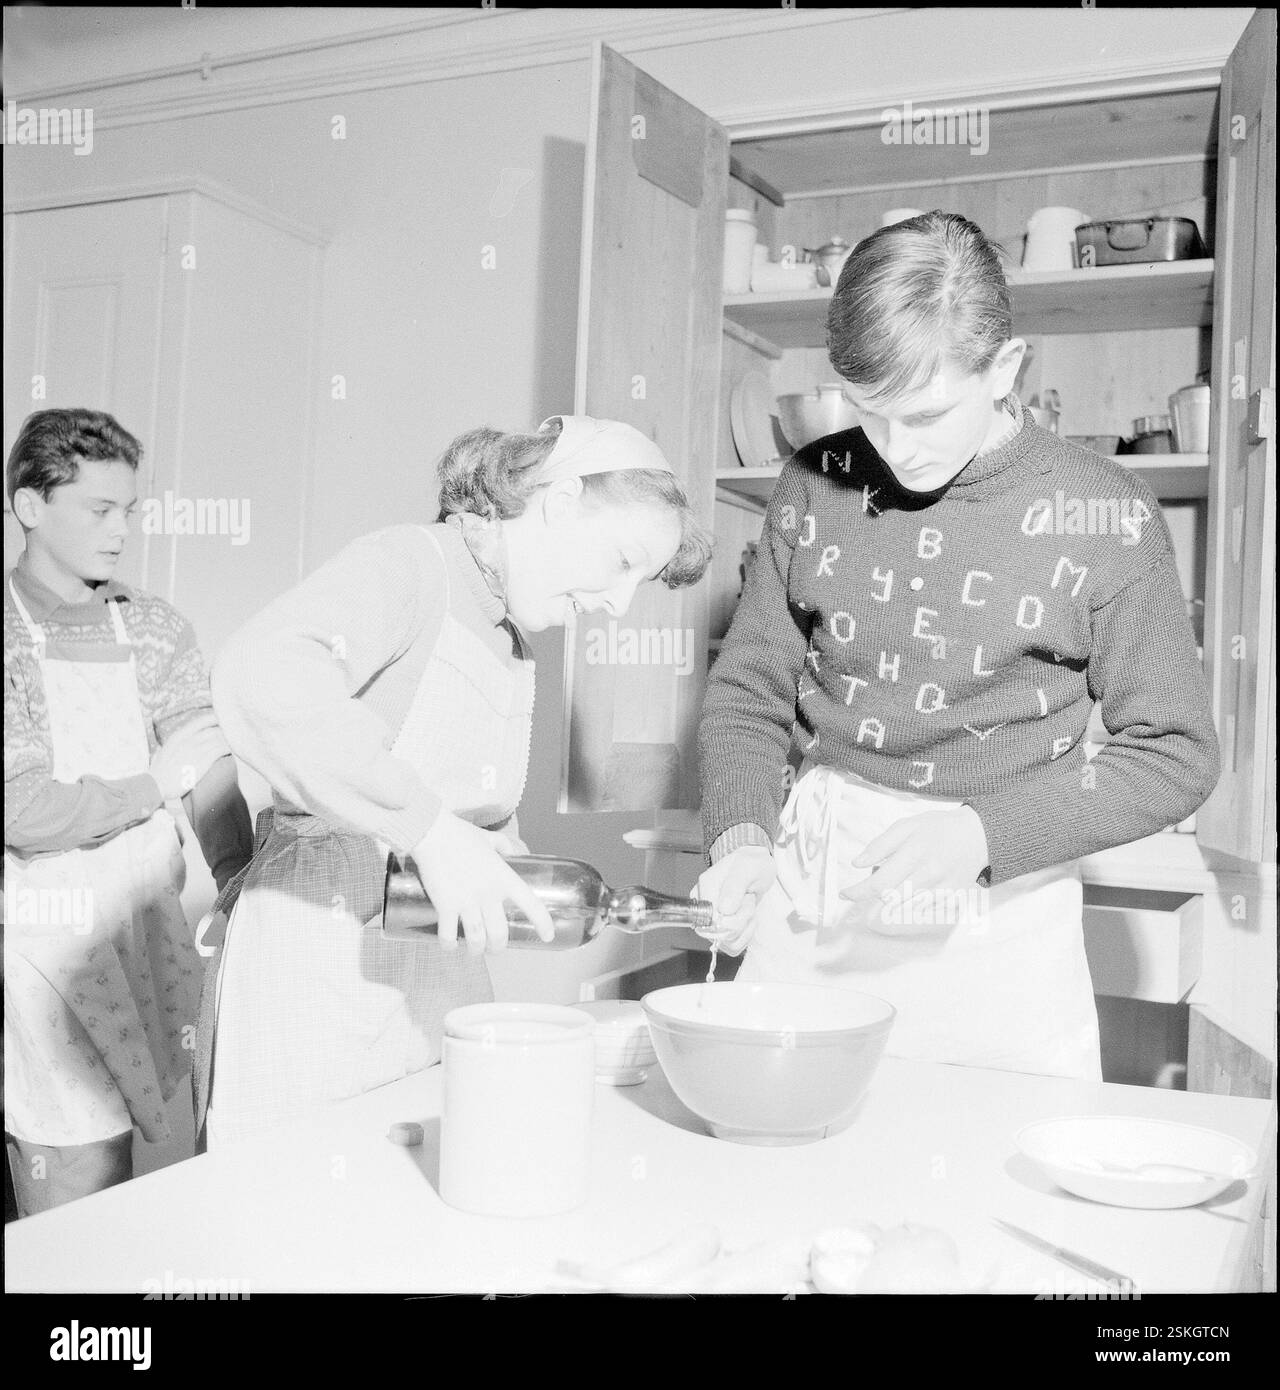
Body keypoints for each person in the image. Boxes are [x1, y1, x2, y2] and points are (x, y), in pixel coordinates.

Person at [696, 212, 1220, 1080]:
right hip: (813, 901)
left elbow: (1176, 753)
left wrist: (982, 835)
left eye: (928, 413)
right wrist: (744, 838)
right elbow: (748, 691)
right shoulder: (810, 484)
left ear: (1006, 367)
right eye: (870, 413)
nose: (895, 452)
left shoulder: (1107, 516)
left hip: (998, 916)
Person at [199, 415, 712, 1147]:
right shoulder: (412, 566)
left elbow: (471, 818)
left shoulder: (510, 634)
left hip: (428, 973)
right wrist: (430, 831)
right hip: (318, 964)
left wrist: (506, 867)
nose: (619, 604)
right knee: (299, 1211)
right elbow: (262, 672)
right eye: (622, 561)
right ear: (561, 500)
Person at [4, 408, 254, 1215]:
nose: (121, 532)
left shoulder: (150, 627)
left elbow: (204, 765)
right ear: (30, 507)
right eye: (98, 510)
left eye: (130, 512)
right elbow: (23, 811)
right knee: (70, 1172)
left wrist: (240, 876)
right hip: (34, 946)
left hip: (139, 937)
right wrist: (150, 785)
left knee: (149, 1175)